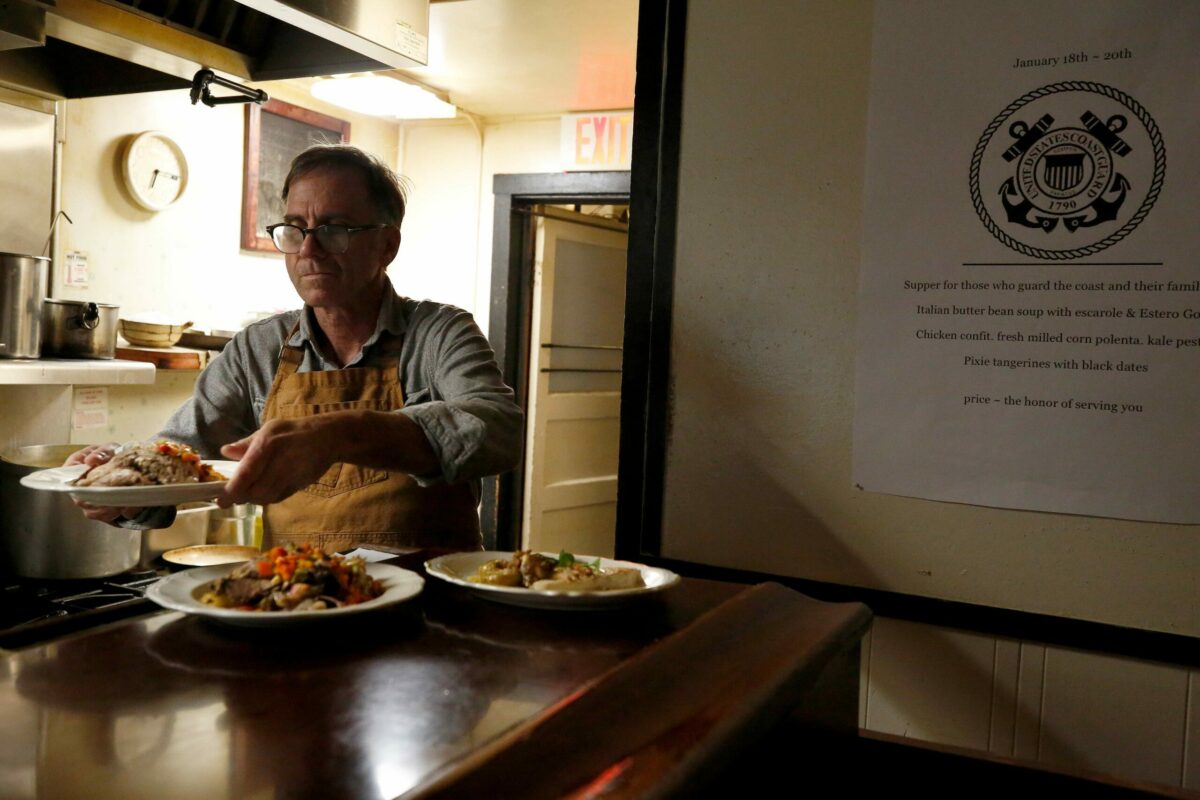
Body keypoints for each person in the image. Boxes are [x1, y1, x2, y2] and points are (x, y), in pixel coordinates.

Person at [70, 145, 522, 552]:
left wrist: (340, 434)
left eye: (335, 229)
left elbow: (498, 430)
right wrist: (119, 485)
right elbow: (182, 454)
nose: (309, 249)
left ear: (387, 244)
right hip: (299, 602)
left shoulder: (439, 332)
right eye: (295, 228)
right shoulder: (258, 348)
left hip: (431, 611)